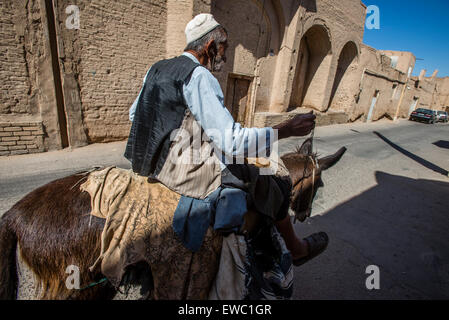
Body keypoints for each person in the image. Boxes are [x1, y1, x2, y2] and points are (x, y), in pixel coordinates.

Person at [125, 14, 328, 266]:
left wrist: (181, 135)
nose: (225, 55)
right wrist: (284, 129)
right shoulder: (199, 76)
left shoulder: (156, 68)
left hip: (149, 164)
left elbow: (135, 114)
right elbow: (232, 141)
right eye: (224, 48)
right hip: (182, 173)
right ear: (210, 47)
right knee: (269, 181)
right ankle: (295, 248)